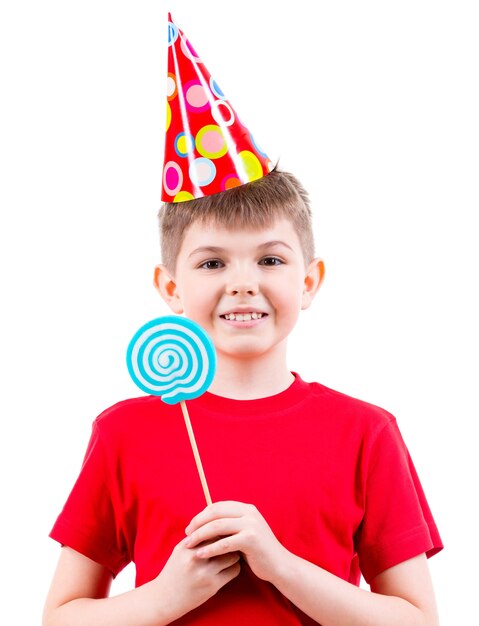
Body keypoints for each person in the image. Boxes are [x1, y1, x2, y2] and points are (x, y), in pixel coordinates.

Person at [43, 15, 442, 626]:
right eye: (211, 261)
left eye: (270, 258)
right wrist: (166, 597)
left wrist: (279, 563)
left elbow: (417, 620)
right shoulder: (124, 433)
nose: (242, 282)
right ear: (170, 288)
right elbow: (61, 617)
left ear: (309, 281)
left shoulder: (366, 433)